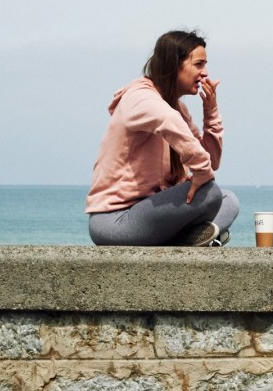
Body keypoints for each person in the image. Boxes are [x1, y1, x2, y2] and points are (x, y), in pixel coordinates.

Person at [86, 30, 239, 246]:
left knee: (228, 200)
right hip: (115, 220)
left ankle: (190, 240)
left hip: (152, 213)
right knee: (211, 193)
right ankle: (195, 240)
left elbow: (211, 160)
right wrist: (201, 172)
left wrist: (211, 112)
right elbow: (167, 120)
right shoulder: (139, 97)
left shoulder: (178, 109)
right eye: (199, 64)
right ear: (173, 64)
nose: (205, 73)